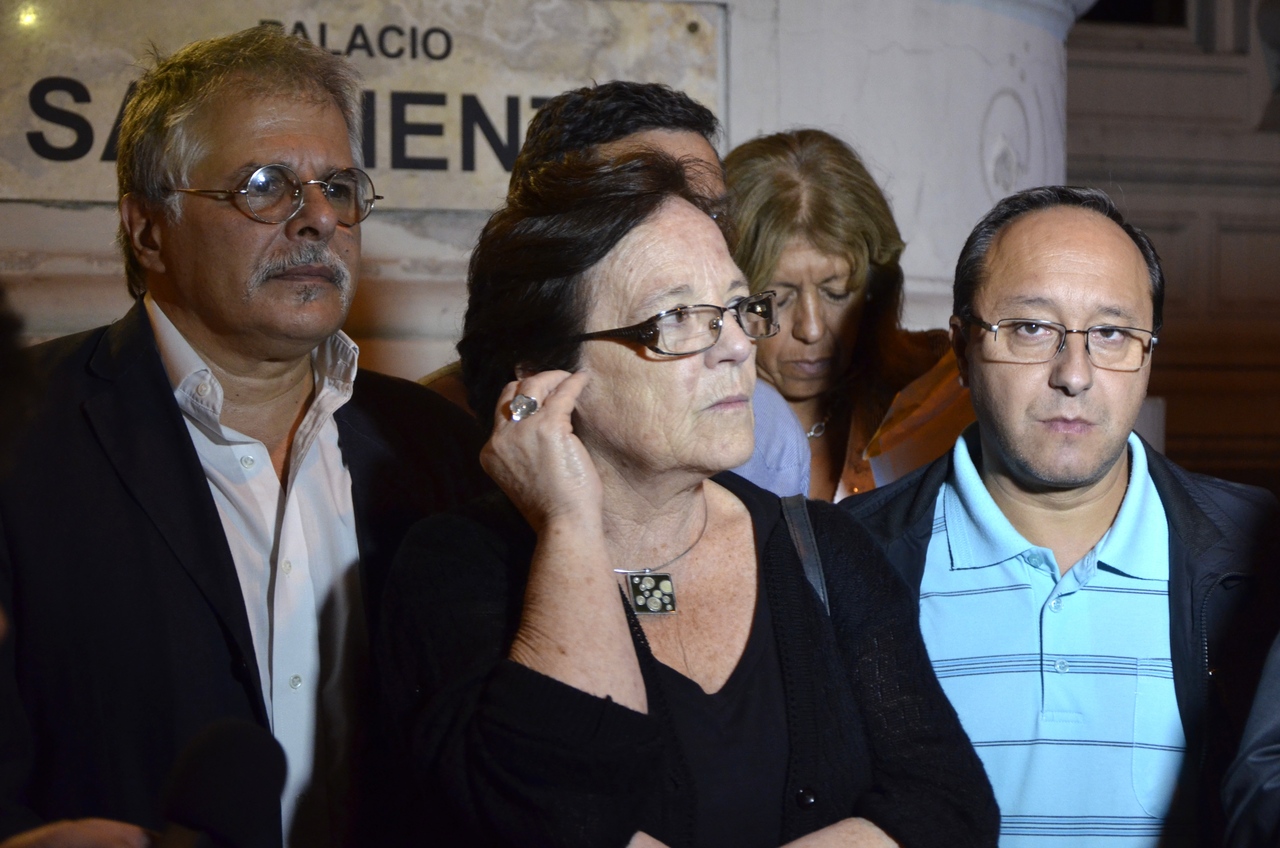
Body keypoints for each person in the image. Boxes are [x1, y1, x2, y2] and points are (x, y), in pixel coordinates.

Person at [378, 150, 998, 847]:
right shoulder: (455, 568)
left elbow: (950, 806)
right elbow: (558, 814)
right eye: (675, 317)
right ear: (544, 374)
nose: (736, 346)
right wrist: (570, 527)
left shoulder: (824, 548)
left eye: (735, 306)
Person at [0, 25, 489, 848]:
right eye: (265, 186)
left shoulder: (440, 447)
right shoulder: (19, 432)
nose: (319, 218)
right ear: (148, 229)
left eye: (338, 186)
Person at [842, 185, 1280, 847]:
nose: (1074, 374)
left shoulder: (1260, 554)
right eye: (1030, 328)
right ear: (960, 348)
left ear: (1149, 354)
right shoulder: (845, 559)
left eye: (1112, 333)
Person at [422, 80, 810, 497]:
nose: (685, 225)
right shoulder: (427, 435)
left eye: (710, 211)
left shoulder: (768, 435)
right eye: (638, 200)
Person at [725, 129, 974, 500]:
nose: (811, 329)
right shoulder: (691, 425)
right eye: (778, 300)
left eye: (836, 293)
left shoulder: (934, 384)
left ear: (874, 290)